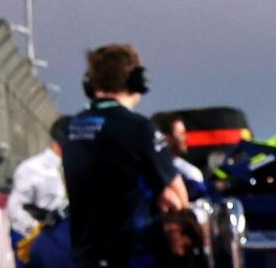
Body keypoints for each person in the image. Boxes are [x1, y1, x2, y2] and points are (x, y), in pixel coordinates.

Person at [62, 44, 189, 268]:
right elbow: (179, 198)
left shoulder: (72, 128)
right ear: (138, 80)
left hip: (85, 257)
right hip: (131, 256)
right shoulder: (139, 128)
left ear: (90, 83)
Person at [9, 115, 70, 258]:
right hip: (37, 241)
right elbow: (15, 208)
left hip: (65, 243)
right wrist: (38, 235)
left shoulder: (74, 169)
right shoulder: (33, 168)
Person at [150, 112, 208, 199]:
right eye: (181, 133)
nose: (186, 137)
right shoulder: (144, 169)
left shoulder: (190, 174)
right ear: (165, 137)